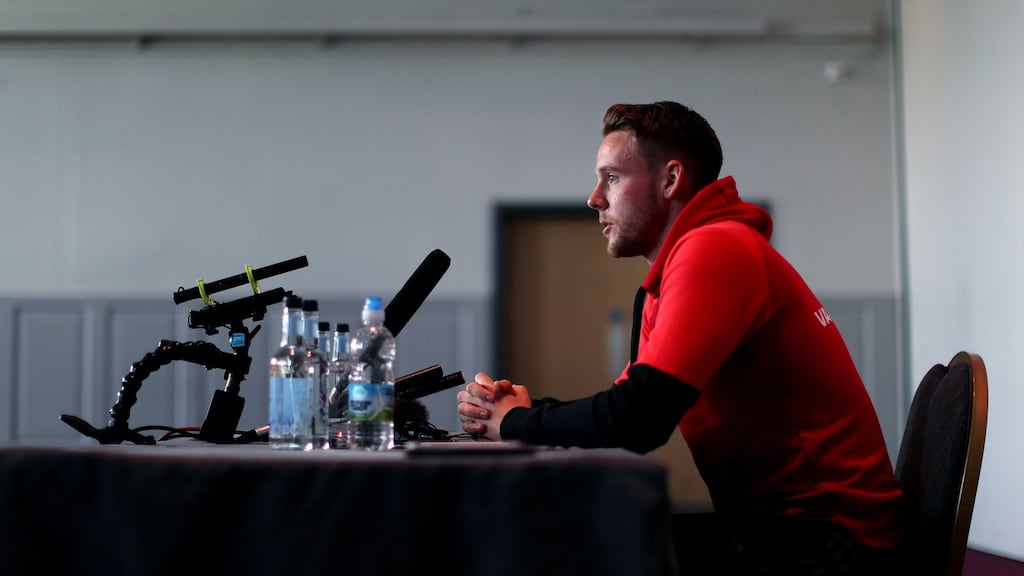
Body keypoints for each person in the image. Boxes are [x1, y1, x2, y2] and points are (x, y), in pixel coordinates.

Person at [456, 101, 903, 575]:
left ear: (670, 179)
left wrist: (518, 422)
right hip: (783, 532)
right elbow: (626, 407)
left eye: (612, 178)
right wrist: (523, 411)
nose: (594, 198)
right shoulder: (676, 274)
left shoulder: (715, 248)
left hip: (831, 541)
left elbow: (638, 420)